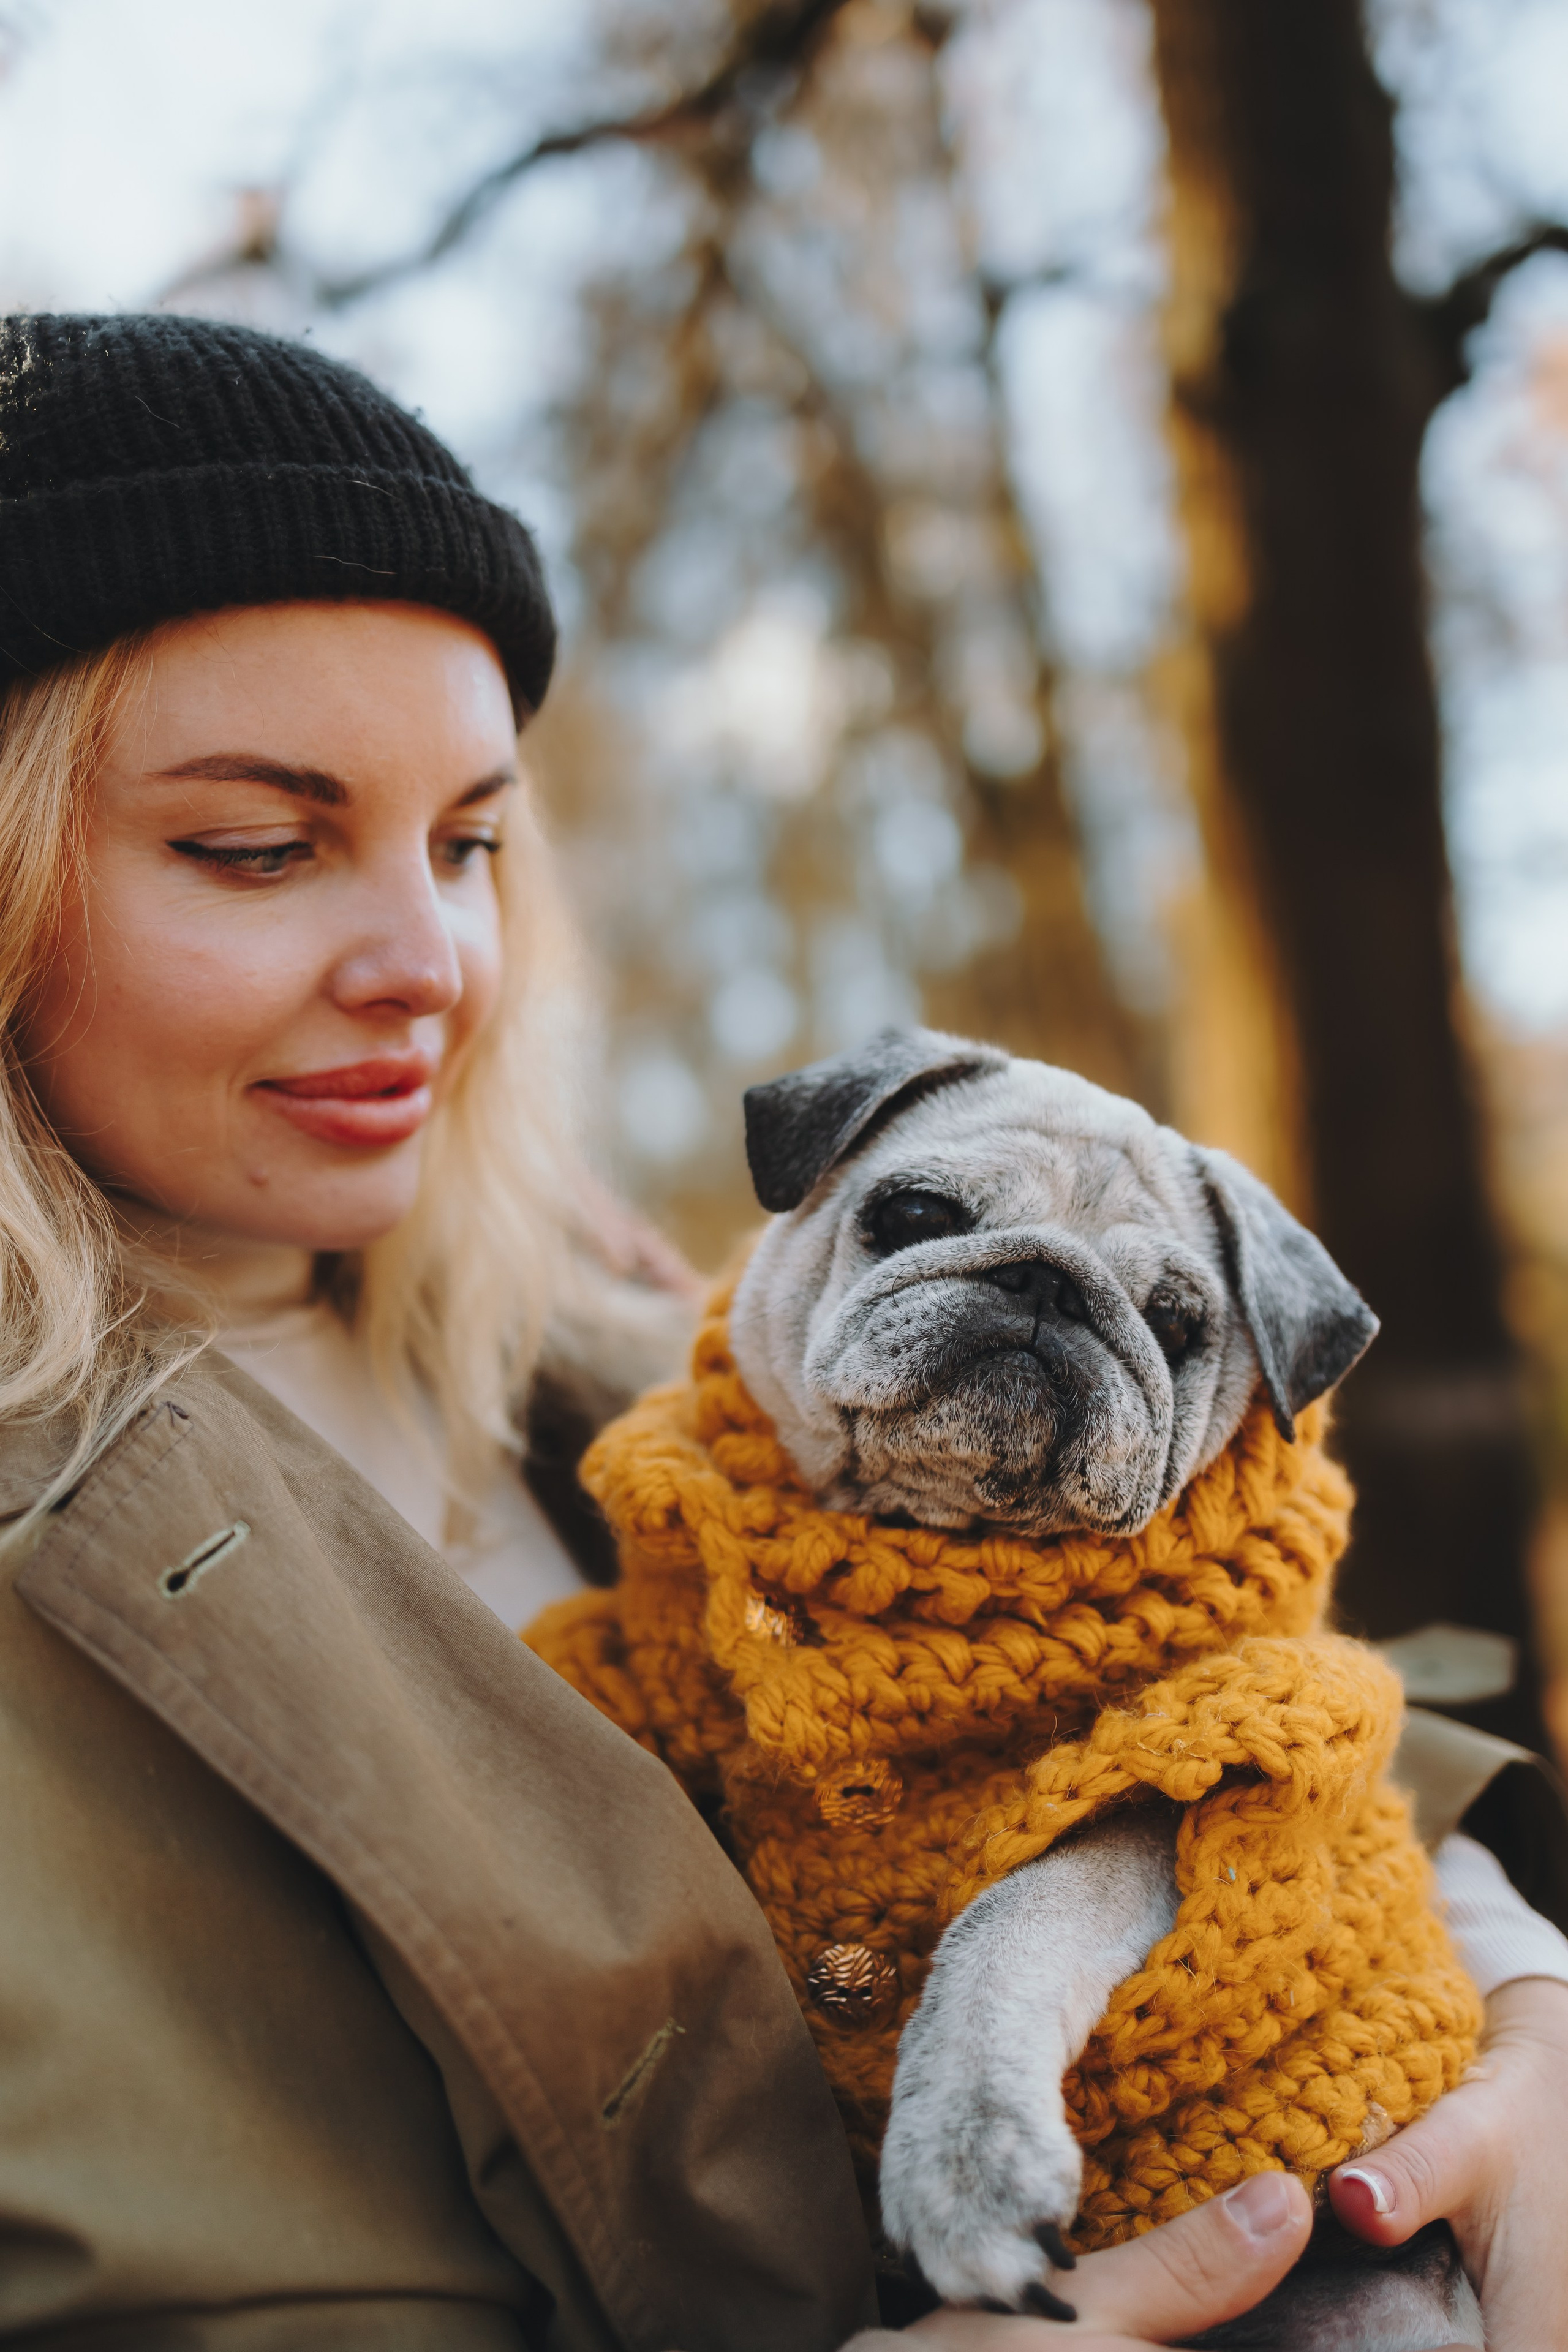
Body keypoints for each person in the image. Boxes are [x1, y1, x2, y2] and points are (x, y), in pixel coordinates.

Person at [0, 311, 1564, 2352]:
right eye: (258, 846)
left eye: (469, 843)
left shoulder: (636, 1347)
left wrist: (1527, 2009)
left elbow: (1231, 1717)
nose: (428, 964)